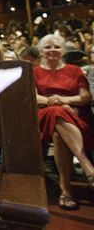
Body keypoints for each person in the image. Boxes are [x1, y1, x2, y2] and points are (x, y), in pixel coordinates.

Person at [34, 34, 94, 210]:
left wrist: (64, 101)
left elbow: (85, 97)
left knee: (58, 134)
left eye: (56, 47)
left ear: (63, 50)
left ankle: (66, 190)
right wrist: (60, 103)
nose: (52, 50)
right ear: (41, 51)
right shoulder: (35, 71)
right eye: (48, 47)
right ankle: (88, 167)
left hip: (75, 116)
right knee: (55, 111)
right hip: (45, 114)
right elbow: (33, 96)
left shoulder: (74, 70)